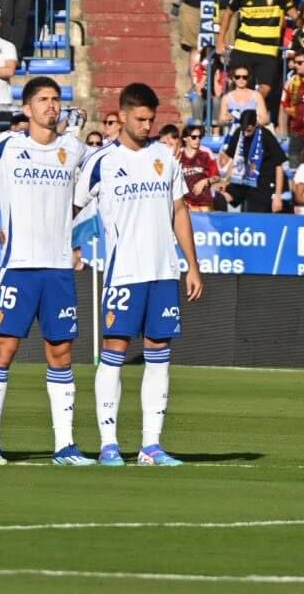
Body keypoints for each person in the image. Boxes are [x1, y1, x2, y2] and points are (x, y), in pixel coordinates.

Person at [78, 82, 204, 468]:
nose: (148, 126)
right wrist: (72, 246)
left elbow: (179, 210)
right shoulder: (101, 161)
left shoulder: (165, 158)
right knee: (113, 354)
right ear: (123, 114)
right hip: (123, 273)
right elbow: (72, 209)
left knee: (159, 356)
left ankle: (151, 446)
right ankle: (109, 444)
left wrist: (191, 265)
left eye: (152, 119)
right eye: (141, 119)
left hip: (163, 272)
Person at [0, 77, 94, 465]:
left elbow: (90, 187)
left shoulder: (73, 148)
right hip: (19, 267)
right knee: (3, 349)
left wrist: (63, 222)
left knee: (60, 352)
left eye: (56, 99)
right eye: (43, 100)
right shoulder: (4, 146)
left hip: (58, 268)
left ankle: (64, 445)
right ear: (26, 109)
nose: (52, 106)